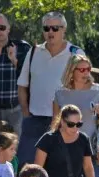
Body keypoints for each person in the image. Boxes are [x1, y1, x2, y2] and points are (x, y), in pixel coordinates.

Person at [17, 11, 84, 166]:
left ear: (64, 30)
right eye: (47, 28)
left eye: (55, 28)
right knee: (27, 167)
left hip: (63, 121)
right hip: (34, 120)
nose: (50, 32)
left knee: (58, 168)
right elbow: (22, 85)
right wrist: (26, 114)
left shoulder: (75, 54)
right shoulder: (34, 52)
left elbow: (83, 86)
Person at [34, 104, 95, 177]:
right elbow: (37, 169)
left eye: (79, 124)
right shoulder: (48, 139)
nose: (75, 128)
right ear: (62, 122)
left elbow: (88, 167)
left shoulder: (83, 139)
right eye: (71, 124)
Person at [53, 54, 99, 150]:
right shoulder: (60, 92)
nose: (86, 73)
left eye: (88, 69)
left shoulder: (96, 90)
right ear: (72, 71)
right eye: (82, 70)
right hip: (65, 144)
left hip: (88, 146)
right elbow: (55, 122)